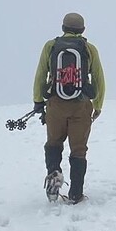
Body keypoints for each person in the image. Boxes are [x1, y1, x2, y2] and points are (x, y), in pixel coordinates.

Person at [32, 12, 105, 203]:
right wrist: (97, 105)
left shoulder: (51, 46)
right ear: (82, 30)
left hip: (56, 104)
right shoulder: (89, 49)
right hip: (81, 106)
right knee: (78, 150)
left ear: (63, 28)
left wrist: (38, 102)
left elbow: (41, 75)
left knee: (54, 143)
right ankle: (75, 194)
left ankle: (54, 172)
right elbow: (98, 78)